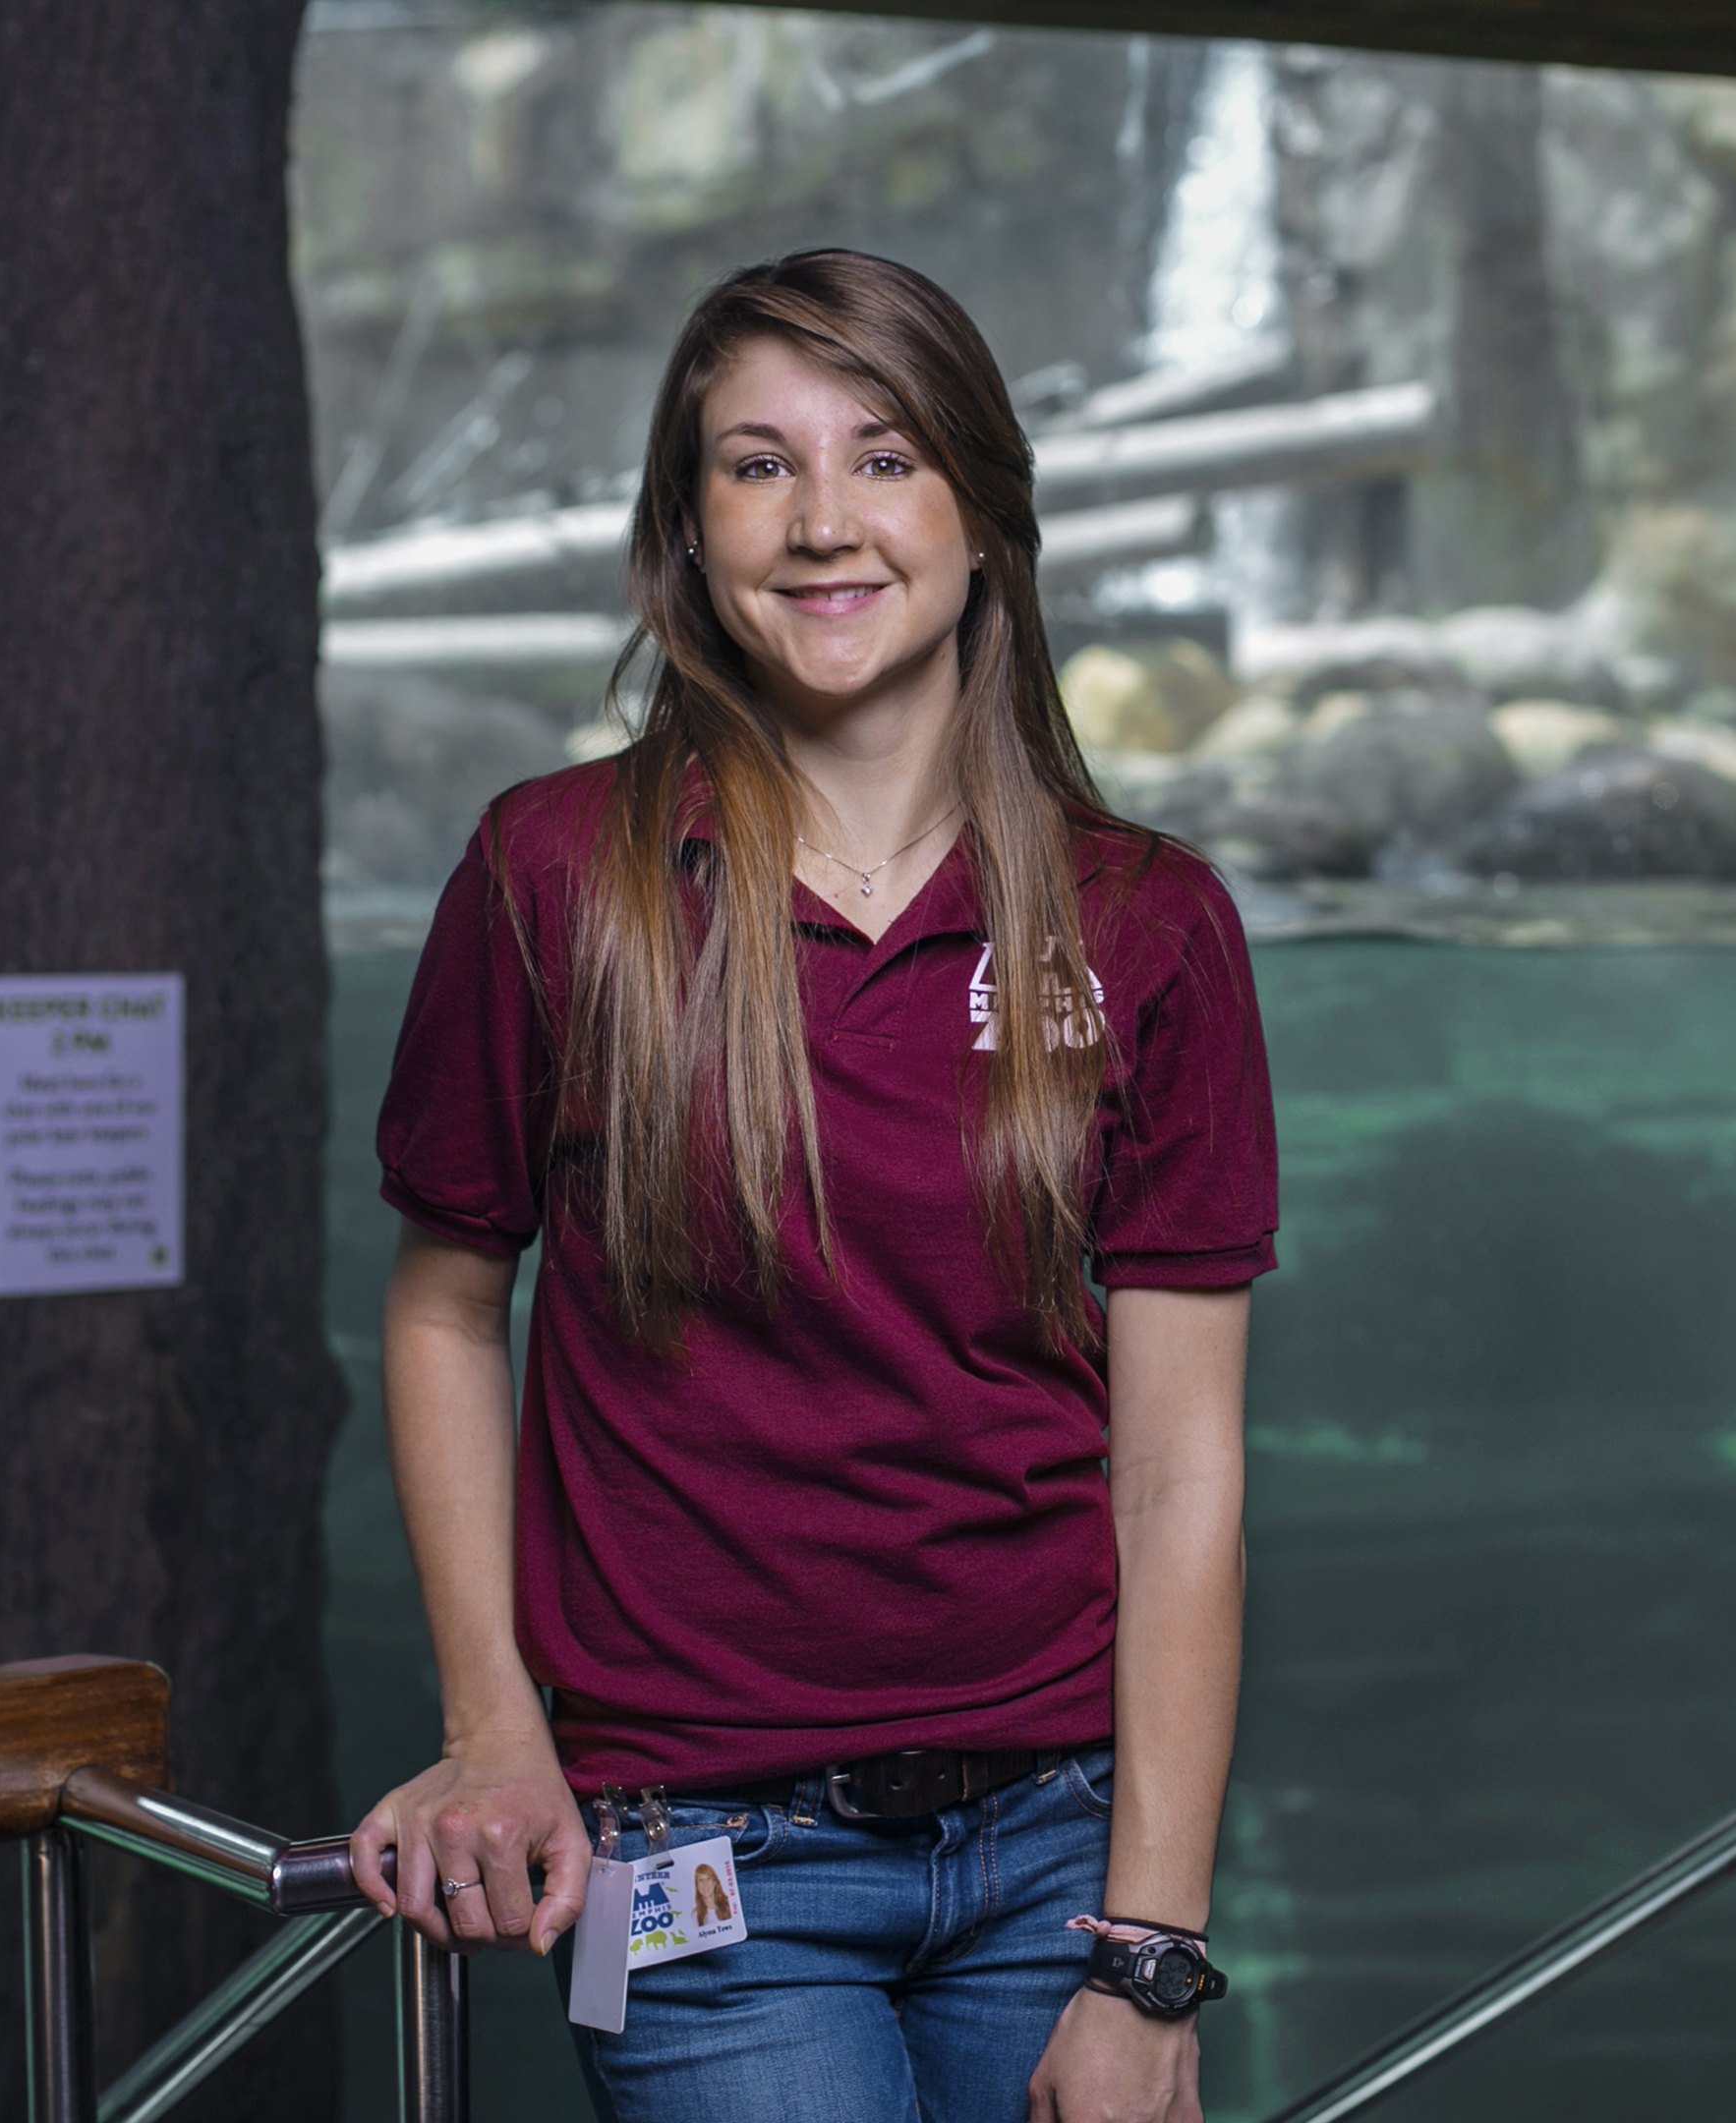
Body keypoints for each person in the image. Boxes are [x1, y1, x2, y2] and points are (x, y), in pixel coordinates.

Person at [348, 250, 1277, 2123]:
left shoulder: (1149, 918)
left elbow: (1180, 1468)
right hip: (699, 1861)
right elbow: (452, 1309)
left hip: (1060, 1850)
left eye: (885, 457)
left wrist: (1150, 1953)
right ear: (688, 533)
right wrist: (488, 1726)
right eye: (757, 466)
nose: (823, 522)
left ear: (984, 516)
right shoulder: (553, 878)